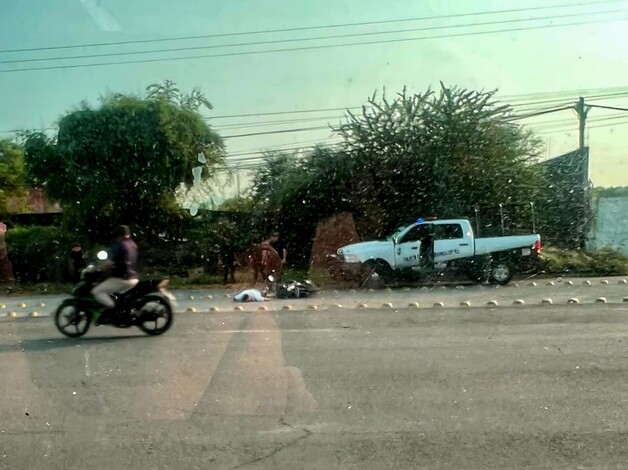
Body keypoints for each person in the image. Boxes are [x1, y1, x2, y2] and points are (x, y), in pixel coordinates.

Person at [91, 225, 139, 313]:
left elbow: (110, 262)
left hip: (122, 279)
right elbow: (124, 260)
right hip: (134, 277)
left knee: (96, 291)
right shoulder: (133, 244)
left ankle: (112, 309)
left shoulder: (121, 245)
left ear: (118, 235)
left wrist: (97, 269)